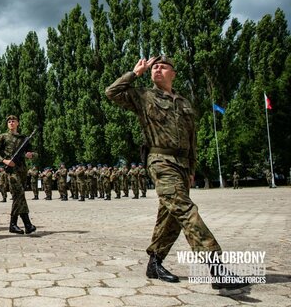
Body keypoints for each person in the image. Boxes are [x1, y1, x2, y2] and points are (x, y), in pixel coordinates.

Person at [106, 55, 247, 290]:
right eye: (154, 67)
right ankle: (217, 268)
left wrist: (192, 168)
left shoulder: (184, 103)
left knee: (171, 216)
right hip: (159, 159)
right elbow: (112, 92)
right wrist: (135, 73)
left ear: (173, 73)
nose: (157, 69)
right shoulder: (143, 96)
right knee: (184, 209)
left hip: (182, 164)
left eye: (163, 67)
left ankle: (155, 262)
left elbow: (193, 139)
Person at [0, 115, 36, 235]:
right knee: (19, 194)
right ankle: (26, 223)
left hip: (22, 170)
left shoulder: (24, 138)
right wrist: (4, 161)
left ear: (18, 123)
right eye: (9, 122)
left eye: (13, 121)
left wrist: (30, 155)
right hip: (10, 171)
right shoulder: (3, 137)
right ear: (7, 124)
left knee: (17, 196)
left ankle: (14, 225)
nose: (11, 123)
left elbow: (32, 152)